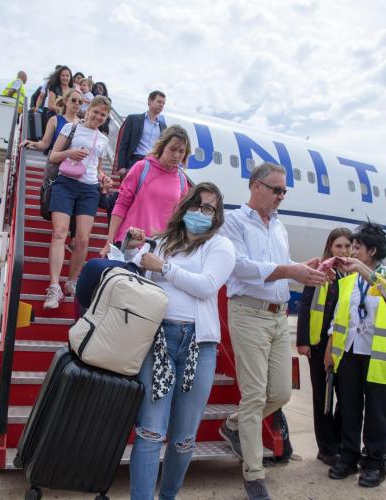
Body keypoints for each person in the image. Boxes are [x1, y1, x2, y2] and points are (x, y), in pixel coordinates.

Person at [217, 162, 329, 500]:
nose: (281, 196)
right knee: (254, 395)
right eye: (276, 189)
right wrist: (289, 270)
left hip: (278, 316)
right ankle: (254, 475)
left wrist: (303, 269)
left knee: (280, 393)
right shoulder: (233, 222)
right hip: (248, 313)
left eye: (284, 191)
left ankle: (234, 424)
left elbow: (282, 267)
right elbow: (240, 267)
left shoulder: (279, 226)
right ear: (256, 186)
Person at [127, 182, 235, 500]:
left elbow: (207, 286)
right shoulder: (161, 242)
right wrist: (131, 247)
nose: (200, 212)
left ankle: (168, 496)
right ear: (185, 207)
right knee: (149, 431)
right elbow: (135, 272)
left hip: (198, 346)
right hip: (159, 340)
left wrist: (165, 268)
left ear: (216, 215)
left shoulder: (220, 246)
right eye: (196, 205)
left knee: (183, 438)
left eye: (208, 208)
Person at [324, 222, 386, 488]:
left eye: (357, 247)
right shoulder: (348, 281)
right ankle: (348, 457)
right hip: (349, 352)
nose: (352, 251)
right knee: (348, 407)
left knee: (376, 412)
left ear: (372, 251)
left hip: (376, 355)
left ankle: (374, 463)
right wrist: (330, 350)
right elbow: (338, 317)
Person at [43, 96, 113, 309]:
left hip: (89, 189)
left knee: (82, 239)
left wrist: (104, 178)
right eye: (96, 112)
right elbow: (53, 156)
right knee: (59, 233)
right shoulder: (71, 129)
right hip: (65, 183)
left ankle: (72, 281)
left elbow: (97, 167)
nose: (98, 117)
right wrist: (70, 153)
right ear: (88, 109)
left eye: (103, 115)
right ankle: (54, 287)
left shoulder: (103, 140)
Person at [296, 227, 353, 467]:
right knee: (323, 397)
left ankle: (339, 443)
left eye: (348, 246)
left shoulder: (355, 274)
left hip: (345, 345)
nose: (343, 250)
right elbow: (306, 305)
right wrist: (303, 341)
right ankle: (326, 448)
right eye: (338, 246)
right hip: (319, 344)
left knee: (345, 396)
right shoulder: (320, 271)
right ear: (330, 247)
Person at [100, 124, 190, 257]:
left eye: (181, 151)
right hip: (128, 244)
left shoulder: (182, 180)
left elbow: (177, 219)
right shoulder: (141, 168)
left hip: (156, 250)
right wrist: (109, 241)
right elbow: (121, 204)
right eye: (172, 149)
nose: (176, 155)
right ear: (163, 146)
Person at [116, 90, 167, 177]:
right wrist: (121, 166)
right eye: (159, 102)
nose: (161, 105)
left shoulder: (164, 127)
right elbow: (124, 143)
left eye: (163, 103)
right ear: (150, 101)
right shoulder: (133, 119)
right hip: (134, 162)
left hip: (153, 164)